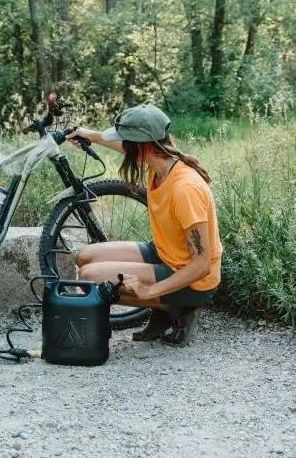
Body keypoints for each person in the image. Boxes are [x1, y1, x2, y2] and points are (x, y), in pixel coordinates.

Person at [66, 104, 223, 347]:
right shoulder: (159, 162)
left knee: (90, 277)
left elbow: (202, 265)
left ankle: (179, 308)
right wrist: (90, 135)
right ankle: (164, 312)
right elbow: (122, 146)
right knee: (84, 257)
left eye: (127, 143)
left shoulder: (185, 189)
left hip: (194, 280)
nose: (124, 148)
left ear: (143, 146)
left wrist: (149, 291)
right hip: (165, 253)